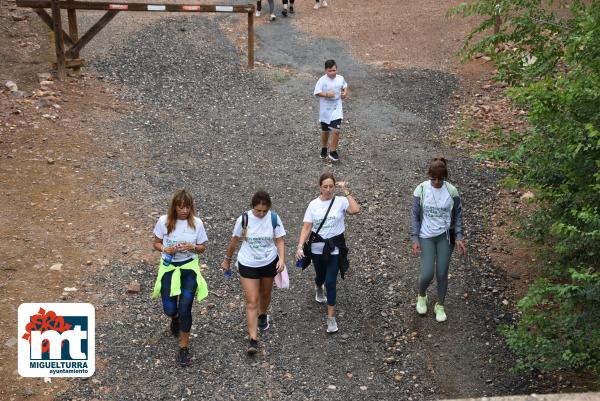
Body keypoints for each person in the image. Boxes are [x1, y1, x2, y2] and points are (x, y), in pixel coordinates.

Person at [222, 191, 286, 354]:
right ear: (252, 207)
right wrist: (227, 260)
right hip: (248, 262)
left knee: (265, 294)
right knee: (251, 301)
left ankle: (263, 314)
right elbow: (234, 241)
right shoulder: (243, 219)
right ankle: (253, 339)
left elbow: (279, 240)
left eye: (264, 211)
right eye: (258, 210)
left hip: (268, 261)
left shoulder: (274, 218)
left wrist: (282, 259)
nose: (262, 213)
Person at [295, 172, 359, 333]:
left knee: (330, 281)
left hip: (335, 247)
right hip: (317, 246)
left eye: (331, 186)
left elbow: (355, 210)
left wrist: (346, 190)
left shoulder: (341, 201)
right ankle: (318, 286)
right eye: (325, 186)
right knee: (321, 276)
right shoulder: (313, 205)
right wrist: (300, 246)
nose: (329, 190)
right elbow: (307, 227)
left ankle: (331, 318)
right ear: (320, 187)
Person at [151, 189, 209, 366]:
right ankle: (174, 318)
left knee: (185, 306)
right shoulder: (164, 221)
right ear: (174, 207)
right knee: (169, 309)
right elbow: (155, 242)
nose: (184, 211)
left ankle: (183, 348)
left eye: (187, 207)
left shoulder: (197, 223)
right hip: (169, 266)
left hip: (189, 267)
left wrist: (192, 247)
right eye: (180, 207)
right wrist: (164, 249)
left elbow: (202, 247)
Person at [410, 157, 467, 322]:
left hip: (445, 237)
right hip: (426, 236)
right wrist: (415, 238)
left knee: (442, 273)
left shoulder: (452, 191)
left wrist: (460, 237)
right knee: (427, 273)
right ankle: (422, 296)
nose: (436, 182)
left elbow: (458, 216)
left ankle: (440, 305)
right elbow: (414, 215)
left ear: (445, 177)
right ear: (428, 175)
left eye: (440, 179)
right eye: (433, 178)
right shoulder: (421, 189)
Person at [314, 59, 348, 162]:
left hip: (337, 108)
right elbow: (316, 92)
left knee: (336, 130)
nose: (332, 73)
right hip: (325, 110)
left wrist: (345, 93)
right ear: (325, 71)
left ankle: (333, 152)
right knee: (325, 131)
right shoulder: (322, 80)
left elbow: (345, 86)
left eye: (334, 70)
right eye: (330, 71)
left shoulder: (340, 78)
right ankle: (324, 148)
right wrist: (326, 94)